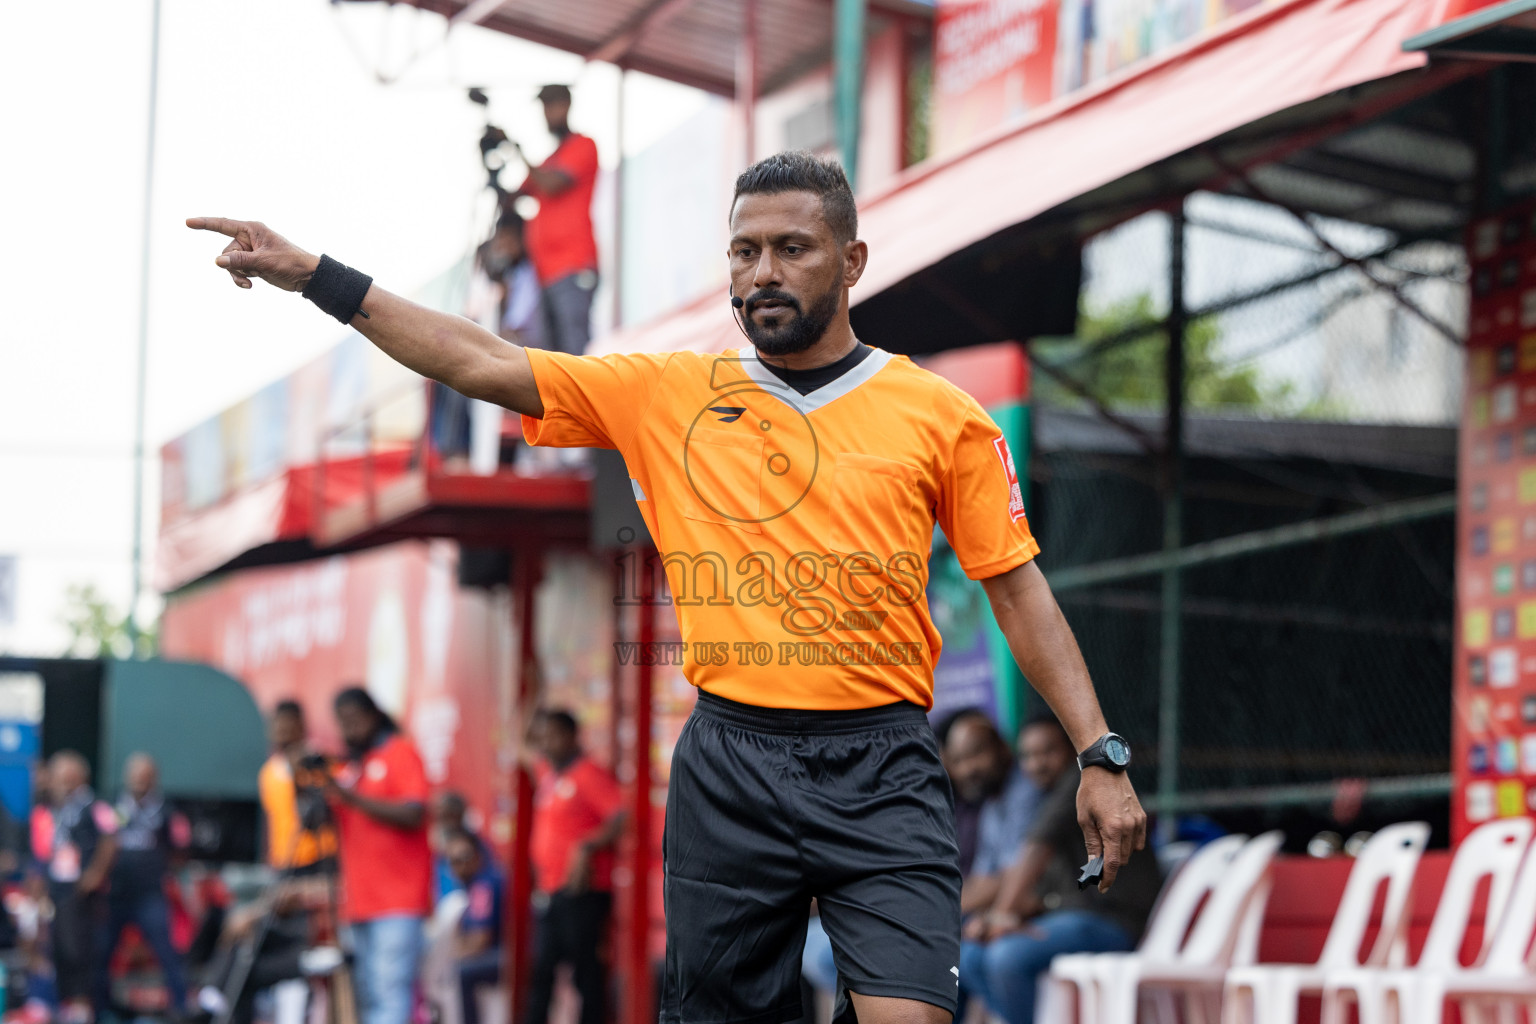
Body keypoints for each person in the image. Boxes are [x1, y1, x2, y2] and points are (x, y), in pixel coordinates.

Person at [189, 148, 1147, 1024]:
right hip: (732, 764)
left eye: (792, 249)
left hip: (884, 764)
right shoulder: (669, 393)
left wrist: (1097, 753)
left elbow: (1017, 590)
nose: (762, 273)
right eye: (744, 252)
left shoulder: (942, 416)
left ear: (851, 262)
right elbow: (482, 359)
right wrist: (316, 276)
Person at [959, 713, 1163, 1024]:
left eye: (1047, 752)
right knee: (971, 957)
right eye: (1028, 756)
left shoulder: (1082, 782)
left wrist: (1001, 915)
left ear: (1071, 751)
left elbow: (1035, 848)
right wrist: (991, 921)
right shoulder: (1045, 796)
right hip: (1070, 917)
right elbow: (1043, 890)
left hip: (1115, 920)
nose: (1037, 764)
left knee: (1006, 957)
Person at [322, 688, 433, 1024]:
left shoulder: (400, 752)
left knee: (389, 993)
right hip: (359, 900)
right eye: (342, 722)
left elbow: (415, 813)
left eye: (355, 719)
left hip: (398, 901)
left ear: (373, 715)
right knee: (368, 994)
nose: (349, 729)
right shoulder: (352, 766)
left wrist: (352, 799)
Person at [521, 709, 625, 1024]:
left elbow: (620, 817)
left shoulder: (588, 774)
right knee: (541, 972)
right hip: (550, 890)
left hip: (582, 891)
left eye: (553, 735)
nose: (547, 742)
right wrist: (532, 700)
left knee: (586, 974)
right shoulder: (549, 773)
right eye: (543, 736)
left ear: (571, 736)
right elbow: (520, 744)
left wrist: (587, 845)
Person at [502, 84, 599, 357]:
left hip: (574, 266)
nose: (546, 114)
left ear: (566, 106)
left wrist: (518, 152)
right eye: (544, 107)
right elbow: (515, 196)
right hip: (545, 274)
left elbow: (552, 184)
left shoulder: (583, 145)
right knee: (551, 358)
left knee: (573, 354)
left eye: (551, 106)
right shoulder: (549, 160)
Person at [100, 753, 193, 1018]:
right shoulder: (115, 807)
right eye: (135, 776)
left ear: (154, 778)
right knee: (104, 951)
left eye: (145, 776)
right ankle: (102, 1008)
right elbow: (103, 843)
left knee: (166, 951)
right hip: (117, 894)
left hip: (150, 894)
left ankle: (182, 1007)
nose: (139, 781)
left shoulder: (166, 811)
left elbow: (179, 848)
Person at [44, 751, 117, 1024]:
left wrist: (95, 873)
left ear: (77, 776)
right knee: (60, 949)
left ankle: (83, 1008)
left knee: (79, 951)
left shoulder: (95, 805)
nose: (57, 781)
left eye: (62, 775)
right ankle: (66, 1006)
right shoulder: (61, 807)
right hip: (60, 889)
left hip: (80, 893)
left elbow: (111, 837)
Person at [945, 711, 1041, 916]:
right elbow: (982, 878)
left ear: (1002, 747)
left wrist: (946, 911)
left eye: (976, 752)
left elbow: (1013, 876)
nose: (968, 769)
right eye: (958, 760)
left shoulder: (1027, 788)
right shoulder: (990, 805)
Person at [258, 701, 338, 874]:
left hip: (320, 859)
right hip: (285, 861)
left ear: (300, 725)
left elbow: (324, 810)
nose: (281, 729)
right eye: (277, 723)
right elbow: (270, 819)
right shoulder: (268, 771)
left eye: (287, 723)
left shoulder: (319, 763)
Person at [443, 829, 504, 1024]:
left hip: (510, 957)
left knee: (461, 971)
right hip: (501, 954)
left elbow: (480, 941)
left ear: (478, 855)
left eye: (464, 858)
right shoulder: (473, 884)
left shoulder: (484, 884)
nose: (459, 866)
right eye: (453, 861)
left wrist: (450, 957)